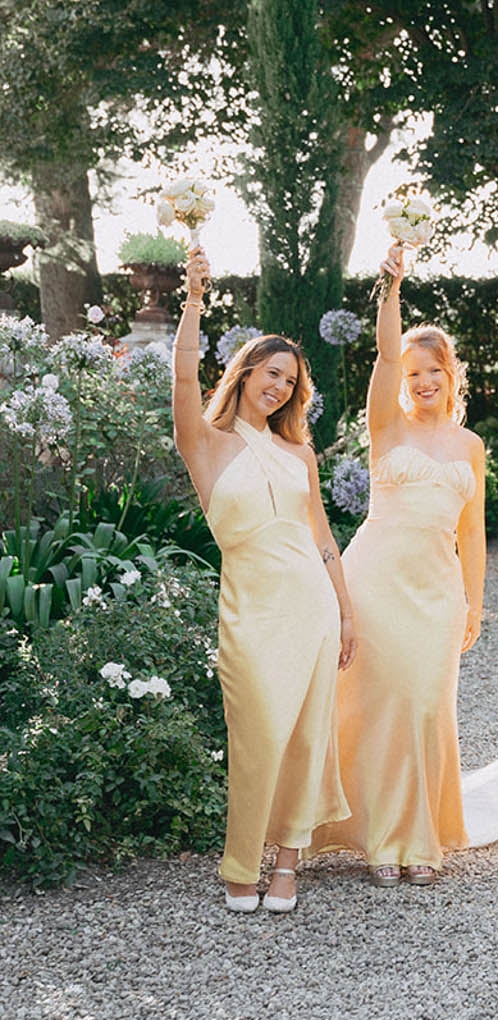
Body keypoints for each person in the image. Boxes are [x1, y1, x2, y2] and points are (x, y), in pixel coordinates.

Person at [171, 247, 353, 914]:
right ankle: (240, 863)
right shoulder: (207, 444)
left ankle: (287, 867)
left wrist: (347, 612)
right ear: (246, 374)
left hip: (311, 605)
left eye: (290, 382)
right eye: (271, 374)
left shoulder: (298, 451)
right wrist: (193, 301)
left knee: (306, 736)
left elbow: (324, 538)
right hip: (250, 612)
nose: (279, 387)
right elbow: (186, 381)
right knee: (258, 738)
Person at [312, 246, 485, 884]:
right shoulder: (386, 426)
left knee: (425, 704)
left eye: (431, 370)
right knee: (379, 704)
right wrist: (392, 286)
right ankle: (387, 840)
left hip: (437, 590)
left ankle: (418, 832)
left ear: (450, 374)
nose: (421, 381)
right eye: (413, 373)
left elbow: (472, 529)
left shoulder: (471, 446)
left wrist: (473, 602)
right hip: (377, 580)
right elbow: (384, 354)